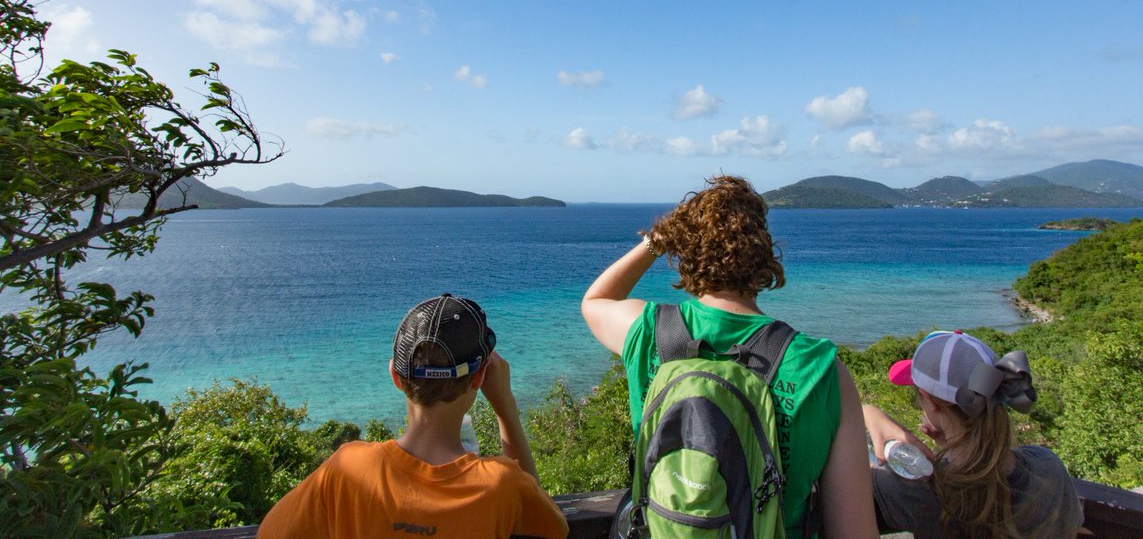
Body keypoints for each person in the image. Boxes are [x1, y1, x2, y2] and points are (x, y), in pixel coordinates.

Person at [581, 175, 878, 539]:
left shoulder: (651, 332)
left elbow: (596, 301)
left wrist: (656, 241)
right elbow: (854, 530)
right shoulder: (821, 370)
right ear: (763, 254)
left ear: (684, 252)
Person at [258, 293, 568, 539]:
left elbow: (271, 533)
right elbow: (553, 528)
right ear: (481, 378)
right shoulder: (500, 483)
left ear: (395, 375)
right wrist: (506, 409)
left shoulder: (347, 469)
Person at [863, 330, 1082, 539]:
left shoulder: (916, 490)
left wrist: (866, 411)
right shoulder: (1048, 466)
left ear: (928, 399)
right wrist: (950, 447)